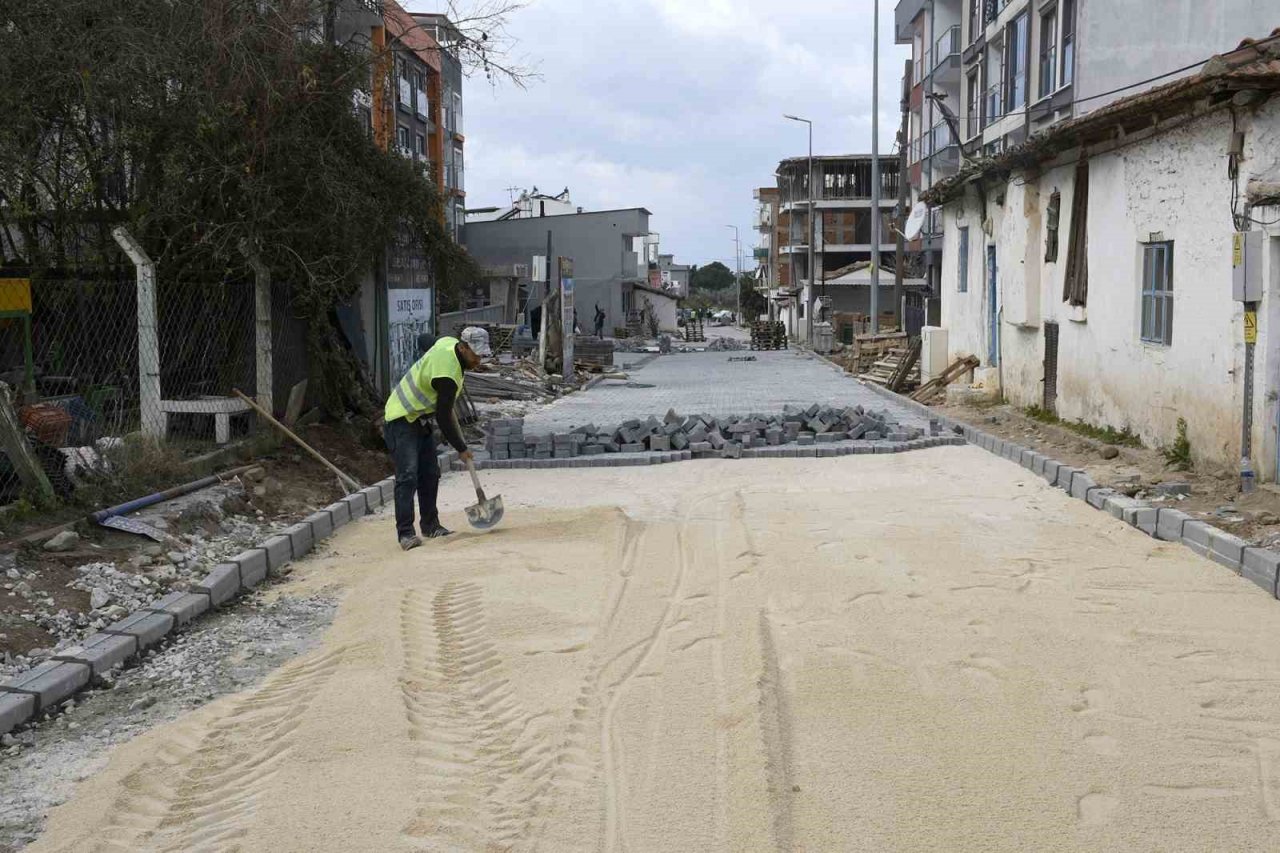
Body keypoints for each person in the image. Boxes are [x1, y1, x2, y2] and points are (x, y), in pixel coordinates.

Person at [383, 336, 482, 550]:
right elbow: (444, 416)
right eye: (476, 354)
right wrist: (461, 449)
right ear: (463, 348)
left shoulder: (449, 343)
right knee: (408, 476)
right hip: (401, 418)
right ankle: (406, 534)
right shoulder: (447, 374)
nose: (479, 360)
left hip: (420, 419)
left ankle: (430, 525)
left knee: (430, 473)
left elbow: (428, 340)